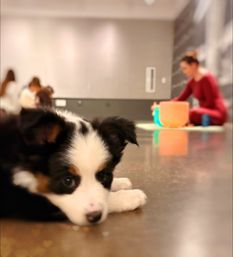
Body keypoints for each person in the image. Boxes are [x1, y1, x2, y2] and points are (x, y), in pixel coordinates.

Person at [152, 51, 228, 125]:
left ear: (194, 65)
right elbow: (180, 99)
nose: (184, 72)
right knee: (189, 113)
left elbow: (210, 103)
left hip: (216, 113)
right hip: (204, 113)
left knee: (192, 113)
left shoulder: (207, 78)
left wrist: (193, 112)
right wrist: (161, 106)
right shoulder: (192, 82)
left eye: (185, 68)